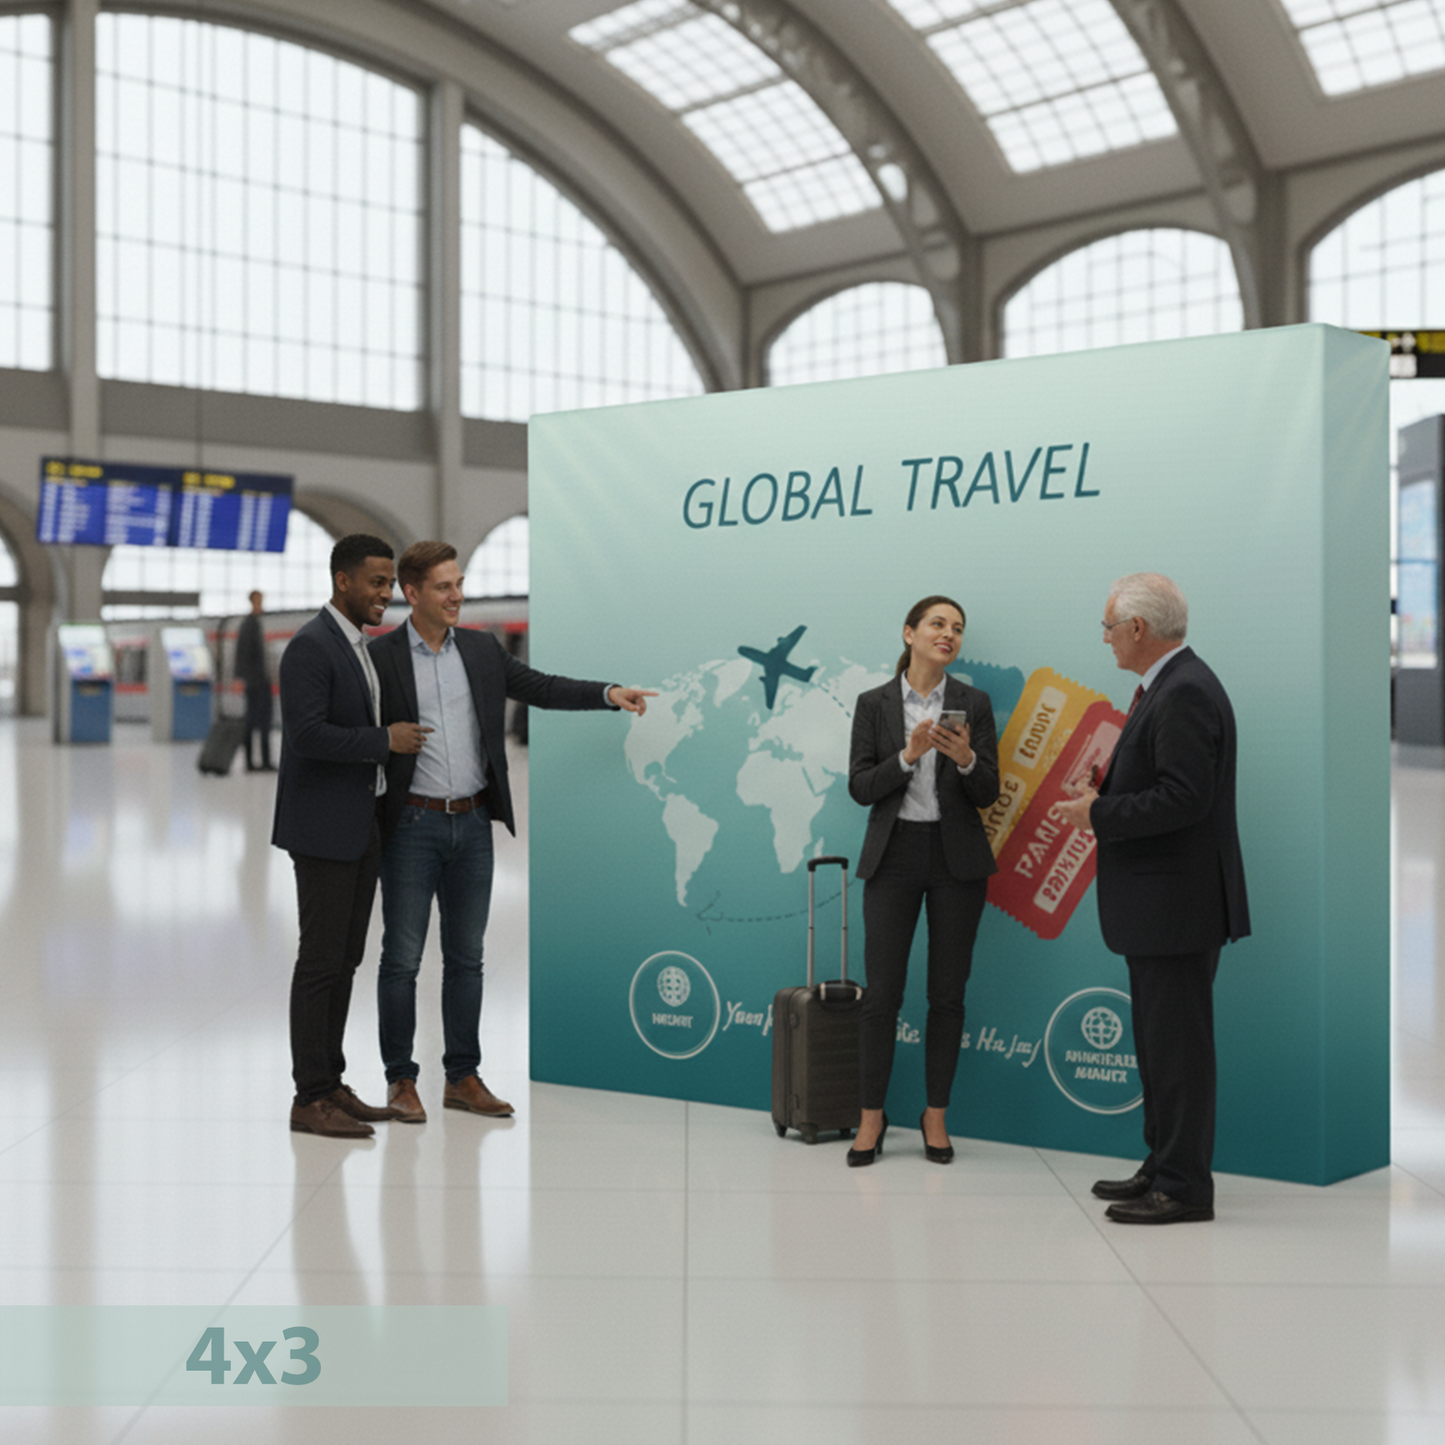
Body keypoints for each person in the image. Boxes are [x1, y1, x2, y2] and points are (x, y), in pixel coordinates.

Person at [368, 540, 656, 1123]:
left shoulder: (480, 649)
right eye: (444, 587)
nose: (457, 595)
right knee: (402, 959)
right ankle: (401, 1080)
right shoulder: (382, 658)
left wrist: (607, 694)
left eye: (459, 583)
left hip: (473, 823)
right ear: (412, 593)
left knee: (467, 958)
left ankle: (462, 1076)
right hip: (411, 826)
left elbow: (541, 687)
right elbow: (354, 733)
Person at [1056, 573, 1250, 1224]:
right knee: (1160, 1049)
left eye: (1108, 627)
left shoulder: (1184, 689)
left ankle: (1184, 1188)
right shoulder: (1169, 685)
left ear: (1137, 628)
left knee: (1179, 1056)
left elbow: (1183, 798)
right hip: (1162, 907)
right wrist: (1106, 791)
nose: (1105, 639)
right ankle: (1161, 1166)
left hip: (1176, 907)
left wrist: (1097, 813)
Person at [273, 534, 430, 1140]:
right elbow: (306, 735)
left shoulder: (358, 646)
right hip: (322, 829)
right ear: (343, 581)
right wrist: (384, 740)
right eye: (377, 582)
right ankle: (308, 1097)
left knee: (346, 959)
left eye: (389, 583)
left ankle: (330, 1083)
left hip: (360, 824)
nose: (386, 593)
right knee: (320, 962)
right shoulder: (310, 647)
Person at [846, 595, 1000, 1167]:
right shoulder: (875, 704)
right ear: (909, 633)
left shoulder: (973, 703)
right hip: (893, 857)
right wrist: (907, 757)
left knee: (947, 996)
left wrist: (966, 759)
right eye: (938, 624)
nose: (949, 634)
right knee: (881, 995)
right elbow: (860, 787)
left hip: (957, 860)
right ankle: (871, 1116)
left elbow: (988, 791)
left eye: (957, 627)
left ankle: (935, 1114)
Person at [234, 589, 275, 771]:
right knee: (252, 722)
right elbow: (242, 653)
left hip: (261, 681)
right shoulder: (249, 625)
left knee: (264, 722)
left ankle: (263, 761)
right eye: (259, 600)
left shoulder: (256, 623)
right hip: (255, 683)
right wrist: (241, 678)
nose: (261, 604)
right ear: (252, 601)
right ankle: (251, 762)